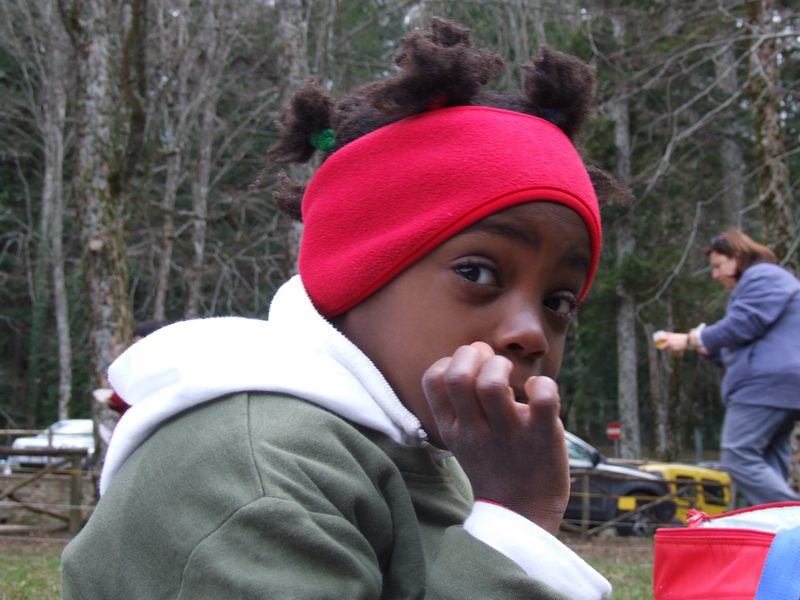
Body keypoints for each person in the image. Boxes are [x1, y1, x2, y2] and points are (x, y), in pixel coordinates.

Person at [62, 18, 622, 599]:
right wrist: (515, 524)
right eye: (476, 273)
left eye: (559, 301)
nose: (532, 333)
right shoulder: (257, 472)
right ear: (357, 273)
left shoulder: (421, 455)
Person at [656, 229, 800, 506]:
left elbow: (744, 324)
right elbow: (749, 339)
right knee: (769, 462)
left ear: (738, 256)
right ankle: (775, 528)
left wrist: (692, 339)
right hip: (781, 388)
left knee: (738, 455)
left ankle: (793, 517)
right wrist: (708, 348)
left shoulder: (763, 276)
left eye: (718, 265)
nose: (715, 274)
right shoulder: (771, 282)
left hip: (765, 387)